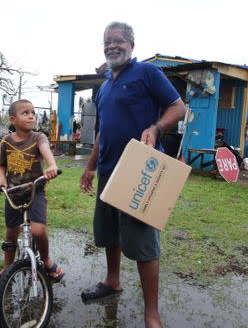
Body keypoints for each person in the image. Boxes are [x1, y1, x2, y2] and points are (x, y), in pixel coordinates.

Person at [80, 22, 186, 328]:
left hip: (140, 170)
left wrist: (155, 128)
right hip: (107, 170)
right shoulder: (104, 87)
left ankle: (151, 314)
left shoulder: (147, 74)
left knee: (143, 243)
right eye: (107, 42)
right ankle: (112, 282)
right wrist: (89, 166)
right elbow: (102, 131)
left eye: (118, 41)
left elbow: (178, 108)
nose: (112, 46)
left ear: (131, 45)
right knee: (109, 232)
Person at [0, 99, 64, 285]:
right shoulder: (6, 141)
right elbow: (1, 164)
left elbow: (46, 152)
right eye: (25, 113)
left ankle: (46, 261)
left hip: (34, 191)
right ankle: (6, 268)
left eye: (33, 112)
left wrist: (52, 165)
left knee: (38, 231)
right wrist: (1, 178)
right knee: (11, 233)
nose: (31, 116)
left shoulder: (38, 137)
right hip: (13, 192)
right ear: (13, 119)